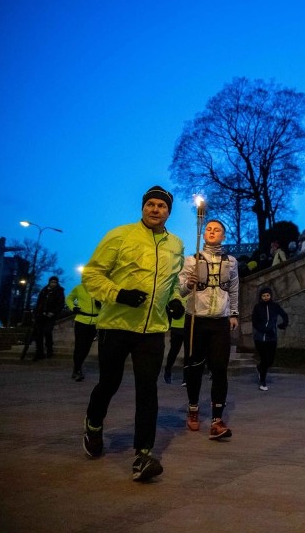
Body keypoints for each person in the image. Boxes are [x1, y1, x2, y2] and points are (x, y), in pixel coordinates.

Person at [81, 185, 185, 482]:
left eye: (161, 206)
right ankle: (93, 425)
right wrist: (118, 294)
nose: (155, 209)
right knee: (109, 383)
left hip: (152, 330)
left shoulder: (176, 244)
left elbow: (173, 283)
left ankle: (143, 454)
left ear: (168, 212)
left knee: (147, 389)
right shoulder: (119, 235)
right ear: (143, 208)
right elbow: (92, 275)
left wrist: (176, 301)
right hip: (115, 325)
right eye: (150, 204)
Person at [179, 219, 240, 441]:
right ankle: (193, 408)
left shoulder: (231, 262)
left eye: (217, 230)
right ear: (203, 234)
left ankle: (217, 420)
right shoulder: (191, 260)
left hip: (220, 322)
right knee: (194, 367)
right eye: (209, 229)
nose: (212, 232)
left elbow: (233, 289)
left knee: (219, 369)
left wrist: (233, 314)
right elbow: (181, 290)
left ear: (223, 235)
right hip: (196, 319)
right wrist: (189, 284)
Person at [250, 286, 288, 391]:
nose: (266, 297)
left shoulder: (275, 306)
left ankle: (259, 368)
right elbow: (255, 322)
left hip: (272, 338)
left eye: (267, 295)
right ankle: (262, 381)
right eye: (263, 296)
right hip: (260, 338)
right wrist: (265, 330)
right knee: (265, 359)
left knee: (270, 361)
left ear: (270, 295)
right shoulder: (257, 307)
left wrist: (283, 325)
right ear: (260, 297)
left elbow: (284, 315)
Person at [66, 283, 100, 381]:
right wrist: (73, 307)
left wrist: (101, 304)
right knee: (79, 346)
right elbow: (69, 298)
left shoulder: (99, 287)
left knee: (87, 347)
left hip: (95, 321)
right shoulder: (79, 288)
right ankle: (77, 370)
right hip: (81, 320)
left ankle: (78, 366)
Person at [32, 276, 65, 360]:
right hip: (40, 315)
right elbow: (39, 301)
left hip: (50, 315)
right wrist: (36, 313)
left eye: (55, 282)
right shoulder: (44, 290)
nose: (53, 283)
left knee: (47, 331)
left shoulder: (59, 291)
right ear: (49, 282)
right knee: (38, 334)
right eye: (52, 282)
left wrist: (53, 312)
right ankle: (39, 352)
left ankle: (49, 350)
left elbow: (60, 304)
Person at [163, 295, 188, 385]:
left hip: (188, 326)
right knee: (174, 351)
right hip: (176, 326)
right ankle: (168, 370)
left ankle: (186, 378)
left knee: (188, 353)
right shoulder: (177, 291)